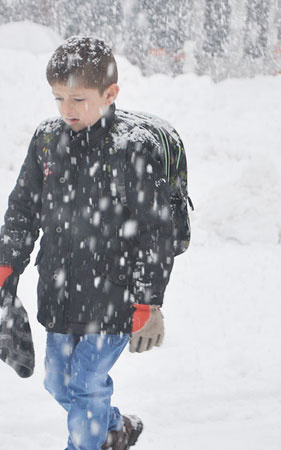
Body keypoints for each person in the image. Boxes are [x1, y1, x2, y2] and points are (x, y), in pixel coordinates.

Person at [0, 36, 178, 450]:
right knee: (57, 380)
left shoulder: (132, 147)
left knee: (86, 382)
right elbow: (23, 210)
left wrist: (147, 300)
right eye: (58, 97)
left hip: (114, 293)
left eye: (78, 99)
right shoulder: (47, 140)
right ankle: (114, 428)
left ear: (110, 94)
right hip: (61, 289)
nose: (66, 110)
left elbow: (155, 229)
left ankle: (86, 443)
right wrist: (7, 263)